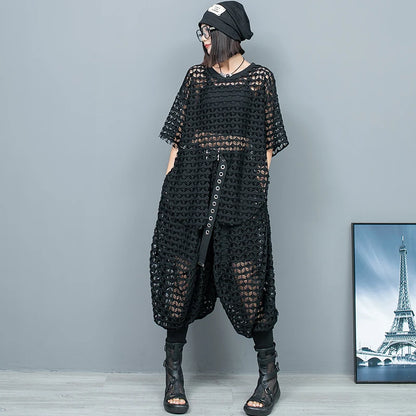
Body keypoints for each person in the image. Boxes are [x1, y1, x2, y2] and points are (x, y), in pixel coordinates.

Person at [149, 2, 289, 415]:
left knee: (249, 285)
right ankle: (173, 375)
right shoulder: (196, 77)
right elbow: (179, 139)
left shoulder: (260, 80)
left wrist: (256, 193)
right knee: (179, 282)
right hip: (189, 192)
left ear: (226, 34)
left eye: (207, 32)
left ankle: (269, 378)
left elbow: (266, 145)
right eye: (201, 32)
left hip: (240, 195)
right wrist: (169, 189)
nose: (203, 39)